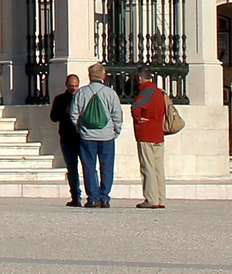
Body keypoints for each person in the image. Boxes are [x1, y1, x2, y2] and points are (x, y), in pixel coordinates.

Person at [70, 63, 124, 208]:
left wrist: (80, 128)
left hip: (87, 136)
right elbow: (117, 115)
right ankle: (105, 197)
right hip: (106, 136)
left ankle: (92, 198)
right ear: (103, 76)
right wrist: (115, 131)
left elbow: (74, 114)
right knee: (107, 167)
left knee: (89, 167)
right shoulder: (110, 93)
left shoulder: (82, 93)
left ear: (90, 76)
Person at [131, 75, 170, 209]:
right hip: (159, 133)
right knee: (159, 167)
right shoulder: (160, 92)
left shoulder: (146, 91)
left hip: (146, 133)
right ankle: (160, 198)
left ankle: (151, 198)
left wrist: (139, 118)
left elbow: (136, 107)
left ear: (140, 77)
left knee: (148, 167)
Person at [50, 75, 85, 205]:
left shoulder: (82, 97)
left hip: (82, 138)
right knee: (72, 169)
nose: (74, 88)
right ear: (66, 85)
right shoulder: (60, 99)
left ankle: (92, 195)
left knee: (88, 168)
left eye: (76, 86)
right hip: (67, 138)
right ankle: (75, 196)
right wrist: (65, 112)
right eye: (71, 86)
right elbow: (53, 117)